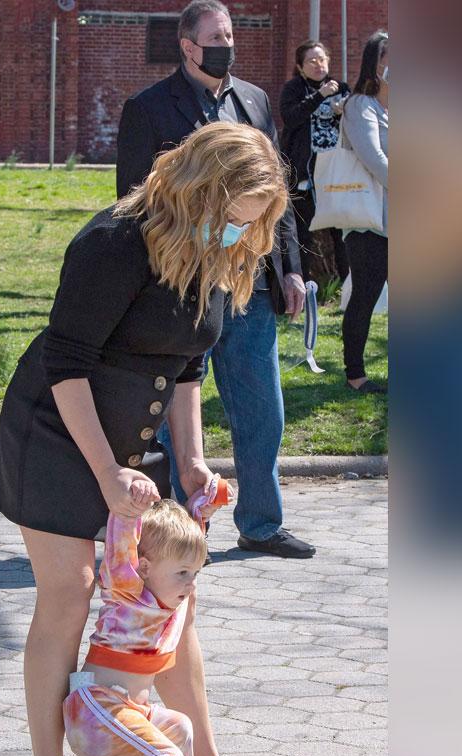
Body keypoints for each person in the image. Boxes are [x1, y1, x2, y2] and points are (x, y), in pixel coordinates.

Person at [0, 122, 292, 756]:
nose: (234, 234)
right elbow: (67, 361)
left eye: (249, 224)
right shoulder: (114, 242)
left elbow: (185, 365)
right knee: (71, 591)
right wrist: (106, 473)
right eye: (231, 216)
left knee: (171, 601)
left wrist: (191, 460)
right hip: (60, 434)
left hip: (137, 445)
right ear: (199, 191)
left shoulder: (210, 248)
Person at [115, 0, 316, 560]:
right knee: (179, 414)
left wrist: (292, 267)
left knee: (262, 410)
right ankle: (183, 532)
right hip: (183, 289)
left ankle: (261, 522)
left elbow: (277, 196)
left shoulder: (252, 101)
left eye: (231, 34)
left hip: (248, 285)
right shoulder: (149, 110)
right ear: (187, 46)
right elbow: (134, 205)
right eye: (216, 36)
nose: (227, 44)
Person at [62, 483, 231, 756]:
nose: (191, 584)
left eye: (196, 573)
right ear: (146, 567)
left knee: (181, 729)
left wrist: (206, 508)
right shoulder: (127, 591)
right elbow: (123, 551)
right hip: (94, 709)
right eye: (184, 574)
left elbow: (184, 542)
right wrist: (128, 512)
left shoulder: (168, 594)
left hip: (129, 709)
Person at [338, 32, 390, 394]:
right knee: (366, 295)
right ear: (375, 63)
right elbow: (375, 160)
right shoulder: (360, 106)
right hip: (369, 221)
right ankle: (355, 373)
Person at [280, 40, 352, 286]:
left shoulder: (342, 88)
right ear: (300, 67)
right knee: (302, 235)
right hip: (305, 176)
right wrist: (319, 96)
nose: (318, 64)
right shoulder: (294, 89)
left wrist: (347, 111)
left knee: (341, 235)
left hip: (336, 174)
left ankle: (349, 291)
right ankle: (300, 290)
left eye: (322, 59)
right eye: (311, 60)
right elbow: (290, 118)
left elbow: (357, 126)